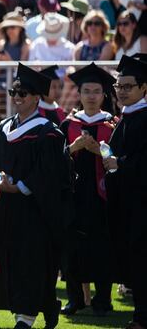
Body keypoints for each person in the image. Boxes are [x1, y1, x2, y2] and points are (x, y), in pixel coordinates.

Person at [0, 63, 70, 329]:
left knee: (31, 261)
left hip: (35, 210)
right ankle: (45, 305)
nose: (17, 98)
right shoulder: (5, 129)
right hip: (9, 208)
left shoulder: (48, 132)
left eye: (24, 93)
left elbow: (50, 175)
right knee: (11, 259)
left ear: (37, 97)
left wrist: (18, 186)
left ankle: (26, 317)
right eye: (14, 92)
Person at [59, 63, 117, 317]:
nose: (91, 96)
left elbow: (120, 159)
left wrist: (97, 150)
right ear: (79, 95)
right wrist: (72, 148)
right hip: (74, 197)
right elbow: (53, 161)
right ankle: (75, 300)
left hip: (102, 198)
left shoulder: (112, 125)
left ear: (104, 95)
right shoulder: (68, 125)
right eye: (86, 91)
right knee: (73, 247)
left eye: (96, 91)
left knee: (102, 247)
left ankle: (103, 300)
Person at [103, 55, 147, 329]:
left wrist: (120, 163)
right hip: (129, 203)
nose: (121, 91)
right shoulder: (126, 117)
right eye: (118, 86)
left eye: (127, 86)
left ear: (144, 88)